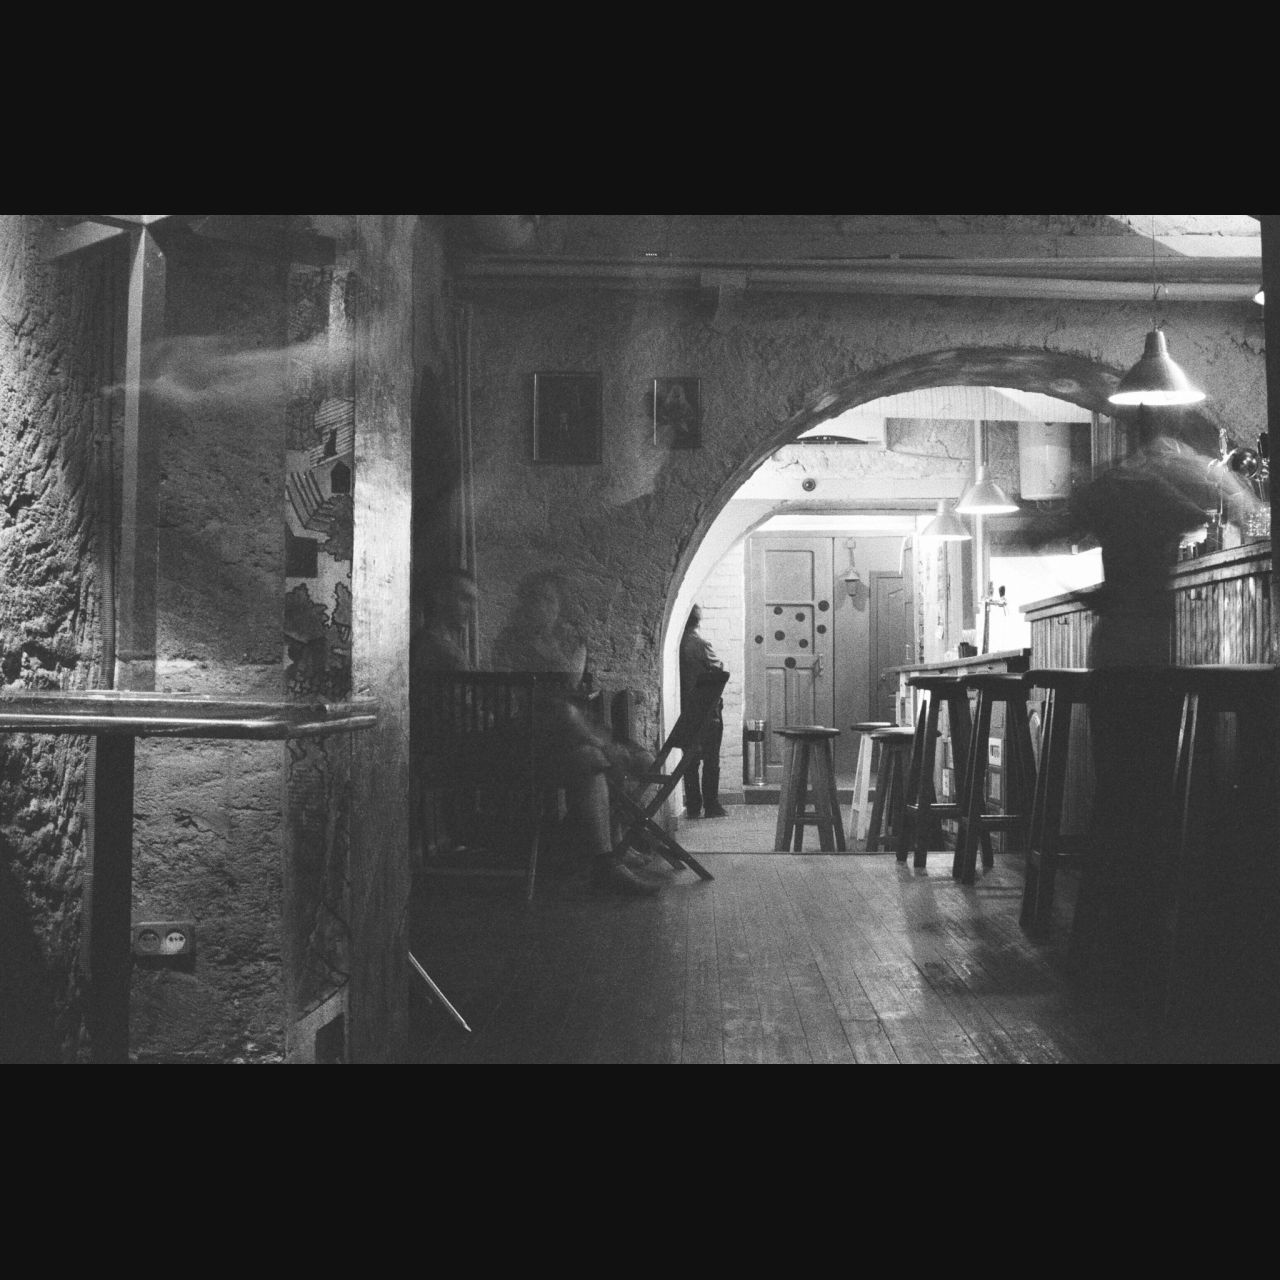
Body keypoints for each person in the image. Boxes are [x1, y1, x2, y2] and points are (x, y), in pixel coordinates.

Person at [416, 567, 665, 897]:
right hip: (469, 755)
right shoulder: (437, 649)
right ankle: (598, 849)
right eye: (463, 598)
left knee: (587, 753)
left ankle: (604, 860)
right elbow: (470, 712)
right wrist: (503, 714)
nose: (470, 608)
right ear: (438, 597)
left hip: (483, 744)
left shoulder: (448, 647)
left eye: (473, 600)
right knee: (567, 719)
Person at [679, 604, 727, 818]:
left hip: (686, 709)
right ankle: (711, 805)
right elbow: (719, 669)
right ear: (698, 620)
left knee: (690, 760)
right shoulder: (700, 644)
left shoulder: (678, 644)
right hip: (707, 710)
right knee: (711, 758)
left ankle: (693, 806)